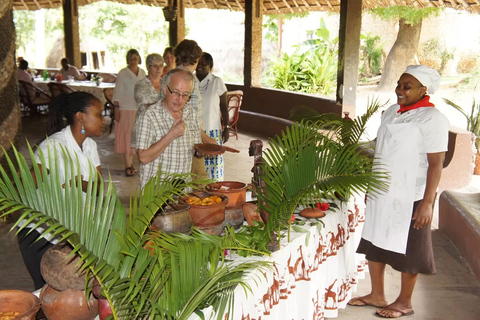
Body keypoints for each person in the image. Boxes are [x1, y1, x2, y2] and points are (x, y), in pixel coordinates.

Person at [347, 65, 450, 318]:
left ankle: (404, 302)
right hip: (383, 189)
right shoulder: (392, 112)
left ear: (423, 90)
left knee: (411, 250)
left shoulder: (432, 119)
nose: (400, 90)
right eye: (399, 85)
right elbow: (381, 147)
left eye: (407, 87)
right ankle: (377, 294)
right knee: (374, 242)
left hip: (412, 195)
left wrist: (427, 203)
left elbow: (436, 165)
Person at [17, 91, 105, 290]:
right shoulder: (53, 148)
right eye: (98, 114)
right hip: (40, 235)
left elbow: (98, 187)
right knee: (48, 293)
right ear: (80, 117)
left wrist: (79, 183)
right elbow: (24, 188)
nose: (103, 119)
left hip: (70, 233)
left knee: (72, 295)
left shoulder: (90, 145)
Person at [135, 69, 200, 189]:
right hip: (156, 192)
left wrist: (201, 151)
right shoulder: (150, 115)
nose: (179, 99)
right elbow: (143, 158)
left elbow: (195, 147)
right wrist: (171, 135)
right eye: (175, 93)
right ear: (165, 89)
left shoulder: (191, 113)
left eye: (185, 95)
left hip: (183, 190)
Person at [196, 52, 229, 181]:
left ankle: (215, 193)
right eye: (198, 63)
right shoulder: (190, 81)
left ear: (210, 66)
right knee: (198, 166)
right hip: (196, 131)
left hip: (213, 131)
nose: (200, 66)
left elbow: (224, 107)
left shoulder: (217, 82)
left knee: (214, 167)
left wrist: (226, 127)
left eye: (204, 64)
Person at [113, 49, 146, 177]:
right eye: (131, 58)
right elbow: (117, 92)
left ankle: (132, 164)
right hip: (126, 108)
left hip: (139, 109)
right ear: (128, 59)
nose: (134, 61)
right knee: (127, 138)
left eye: (136, 58)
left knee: (137, 138)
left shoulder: (142, 73)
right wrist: (117, 108)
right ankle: (127, 165)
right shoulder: (123, 73)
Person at [131, 53, 164, 150]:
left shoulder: (167, 83)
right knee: (146, 162)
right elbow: (143, 107)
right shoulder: (141, 85)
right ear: (148, 67)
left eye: (161, 66)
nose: (158, 69)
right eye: (155, 66)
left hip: (163, 129)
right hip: (145, 127)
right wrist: (166, 103)